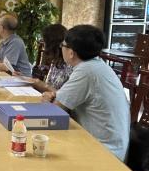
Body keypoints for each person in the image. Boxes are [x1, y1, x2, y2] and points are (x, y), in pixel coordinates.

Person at [41, 25, 130, 161]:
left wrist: (48, 99)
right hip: (107, 144)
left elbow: (55, 110)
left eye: (62, 45)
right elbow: (62, 98)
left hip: (105, 152)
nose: (61, 48)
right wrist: (54, 98)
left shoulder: (86, 71)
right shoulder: (96, 65)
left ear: (71, 53)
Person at [28, 24, 73, 93]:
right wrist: (23, 78)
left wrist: (42, 85)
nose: (44, 45)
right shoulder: (56, 61)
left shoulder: (70, 64)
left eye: (44, 42)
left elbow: (66, 96)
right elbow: (49, 86)